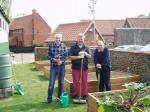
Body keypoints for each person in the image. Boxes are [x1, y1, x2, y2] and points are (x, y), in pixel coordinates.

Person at [69, 33, 91, 101]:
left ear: (83, 39)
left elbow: (90, 56)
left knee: (84, 82)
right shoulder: (73, 47)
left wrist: (85, 53)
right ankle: (76, 94)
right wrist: (78, 57)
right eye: (79, 38)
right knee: (76, 82)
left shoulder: (86, 47)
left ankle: (84, 95)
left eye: (82, 38)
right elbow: (70, 57)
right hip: (75, 68)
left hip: (84, 68)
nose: (80, 39)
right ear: (77, 39)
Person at [47, 33, 68, 103]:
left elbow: (66, 56)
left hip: (61, 66)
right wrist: (54, 60)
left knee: (61, 83)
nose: (58, 39)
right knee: (51, 83)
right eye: (56, 38)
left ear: (61, 39)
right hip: (53, 66)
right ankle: (49, 99)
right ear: (54, 39)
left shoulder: (64, 46)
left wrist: (61, 61)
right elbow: (48, 56)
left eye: (59, 38)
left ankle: (59, 98)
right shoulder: (51, 45)